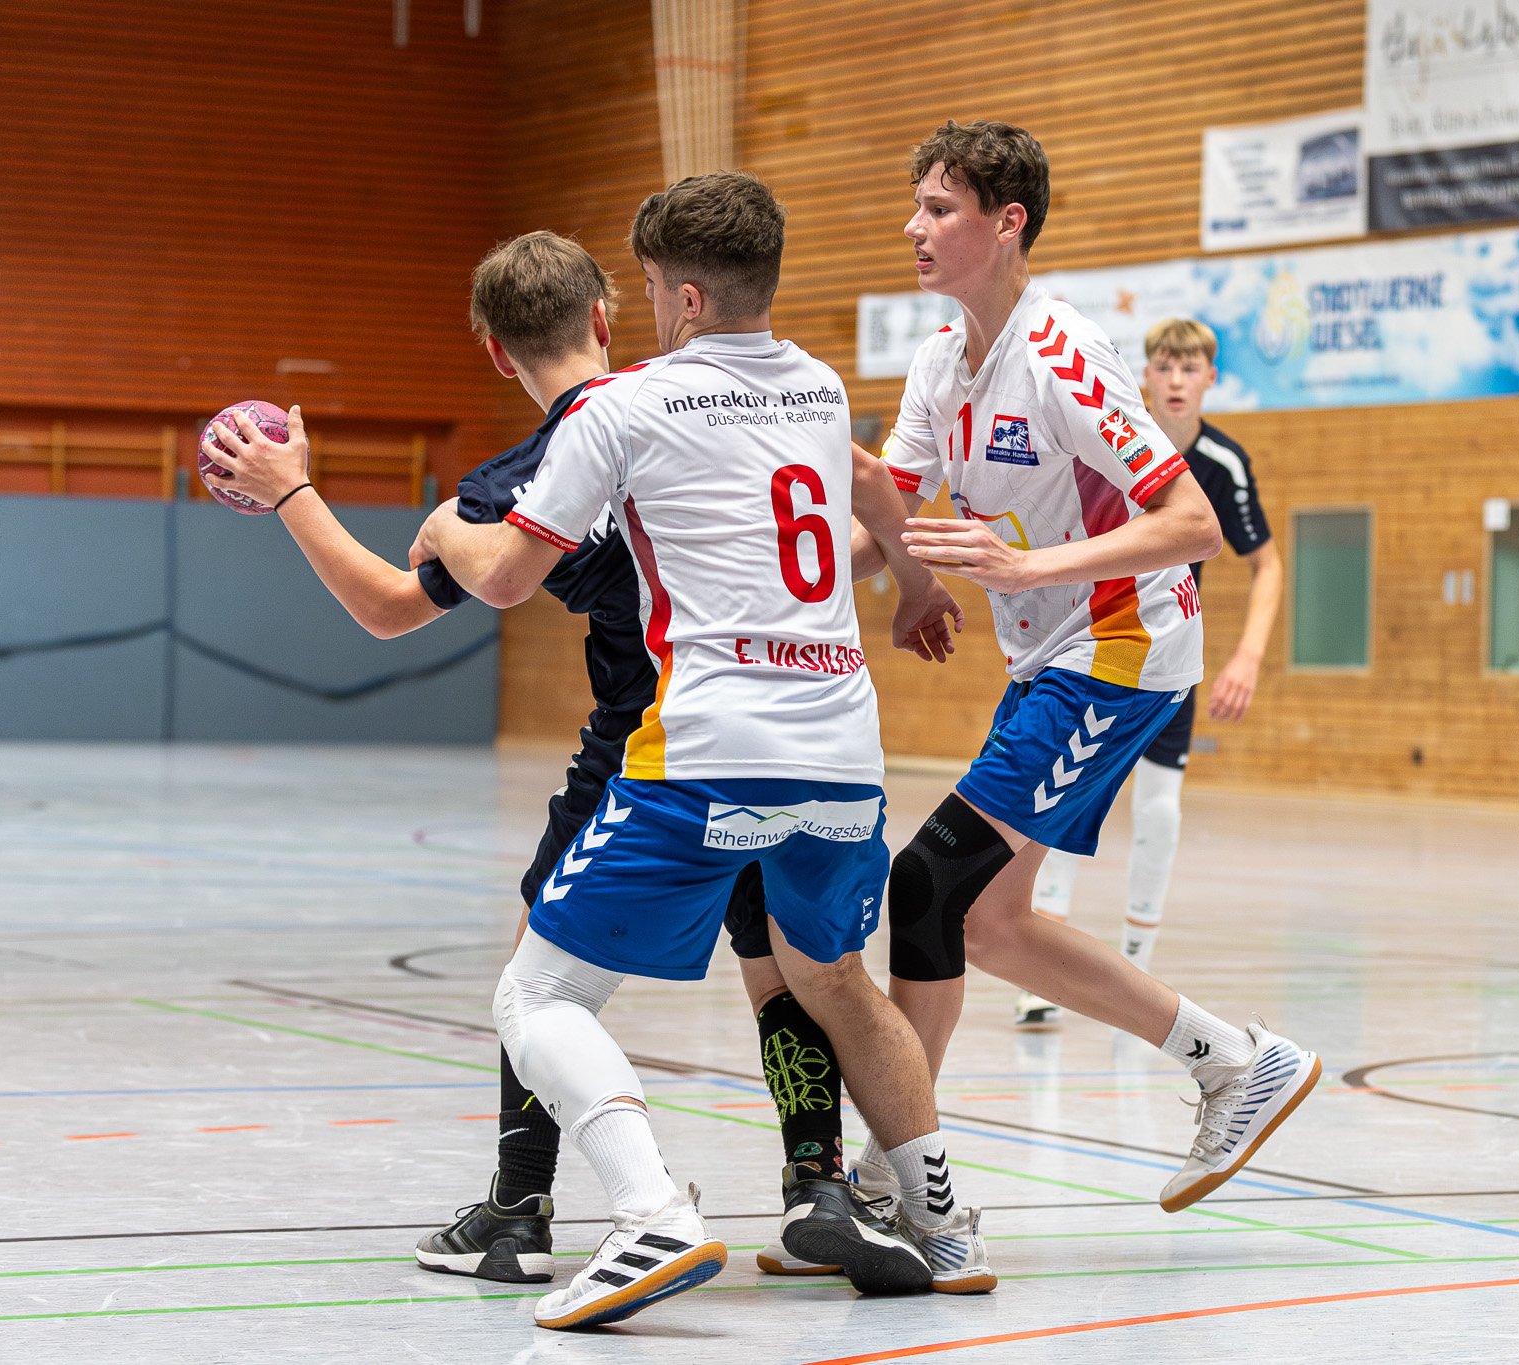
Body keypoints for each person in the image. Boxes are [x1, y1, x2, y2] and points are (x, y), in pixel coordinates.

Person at [208, 207, 980, 1324]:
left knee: (539, 979)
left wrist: (309, 497)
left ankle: (549, 1207)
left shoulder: (589, 432)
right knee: (807, 976)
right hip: (827, 732)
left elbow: (416, 598)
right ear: (607, 316)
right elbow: (868, 486)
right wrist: (910, 580)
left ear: (493, 347)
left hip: (672, 742)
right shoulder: (799, 385)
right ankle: (847, 1192)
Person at [856, 119, 1321, 1215]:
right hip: (1049, 653)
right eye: (916, 205)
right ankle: (1232, 1062)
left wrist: (1024, 569)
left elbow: (1193, 523)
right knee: (990, 921)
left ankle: (895, 1181)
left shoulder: (1064, 355)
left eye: (937, 208)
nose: (912, 226)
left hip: (1123, 648)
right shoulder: (937, 358)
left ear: (1004, 222)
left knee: (926, 883)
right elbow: (891, 504)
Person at [1013, 316, 1282, 1028]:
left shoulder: (1222, 465)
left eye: (1188, 368)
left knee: (1159, 812)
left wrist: (1248, 654)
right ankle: (1046, 966)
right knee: (1060, 801)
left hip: (1169, 657)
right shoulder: (1123, 446)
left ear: (1208, 380)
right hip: (1094, 643)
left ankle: (1136, 958)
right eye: (1162, 366)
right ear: (1145, 375)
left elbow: (1268, 565)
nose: (1173, 380)